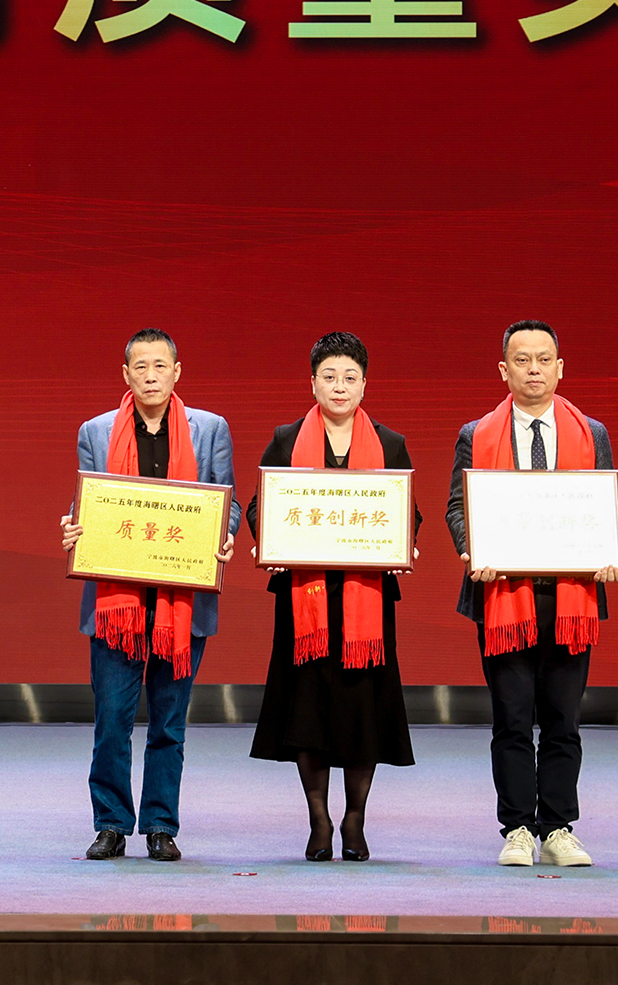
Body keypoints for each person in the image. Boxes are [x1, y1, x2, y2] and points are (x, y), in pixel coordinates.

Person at [445, 319, 618, 868]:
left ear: (560, 368)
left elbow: (601, 507)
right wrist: (473, 548)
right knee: (512, 719)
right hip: (502, 597)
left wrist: (609, 552)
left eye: (544, 360)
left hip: (570, 598)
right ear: (504, 370)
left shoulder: (591, 432)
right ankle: (519, 827)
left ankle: (559, 827)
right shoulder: (476, 433)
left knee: (564, 720)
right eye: (522, 360)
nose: (534, 370)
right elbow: (458, 507)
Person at [59, 328, 237, 862]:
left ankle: (161, 824)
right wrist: (74, 528)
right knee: (112, 722)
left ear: (177, 372)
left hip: (182, 604)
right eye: (141, 366)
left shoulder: (210, 429)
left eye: (161, 366)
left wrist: (225, 534)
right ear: (126, 374)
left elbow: (225, 503)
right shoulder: (96, 431)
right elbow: (89, 504)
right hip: (117, 604)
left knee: (169, 725)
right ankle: (111, 823)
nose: (152, 376)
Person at [247, 331, 417, 863]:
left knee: (361, 710)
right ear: (313, 383)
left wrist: (403, 544)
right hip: (305, 599)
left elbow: (407, 512)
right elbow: (259, 506)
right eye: (329, 377)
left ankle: (355, 819)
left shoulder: (390, 442)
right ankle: (319, 819)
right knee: (309, 711)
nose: (339, 387)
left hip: (367, 597)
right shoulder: (286, 439)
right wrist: (269, 542)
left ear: (364, 384)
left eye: (350, 377)